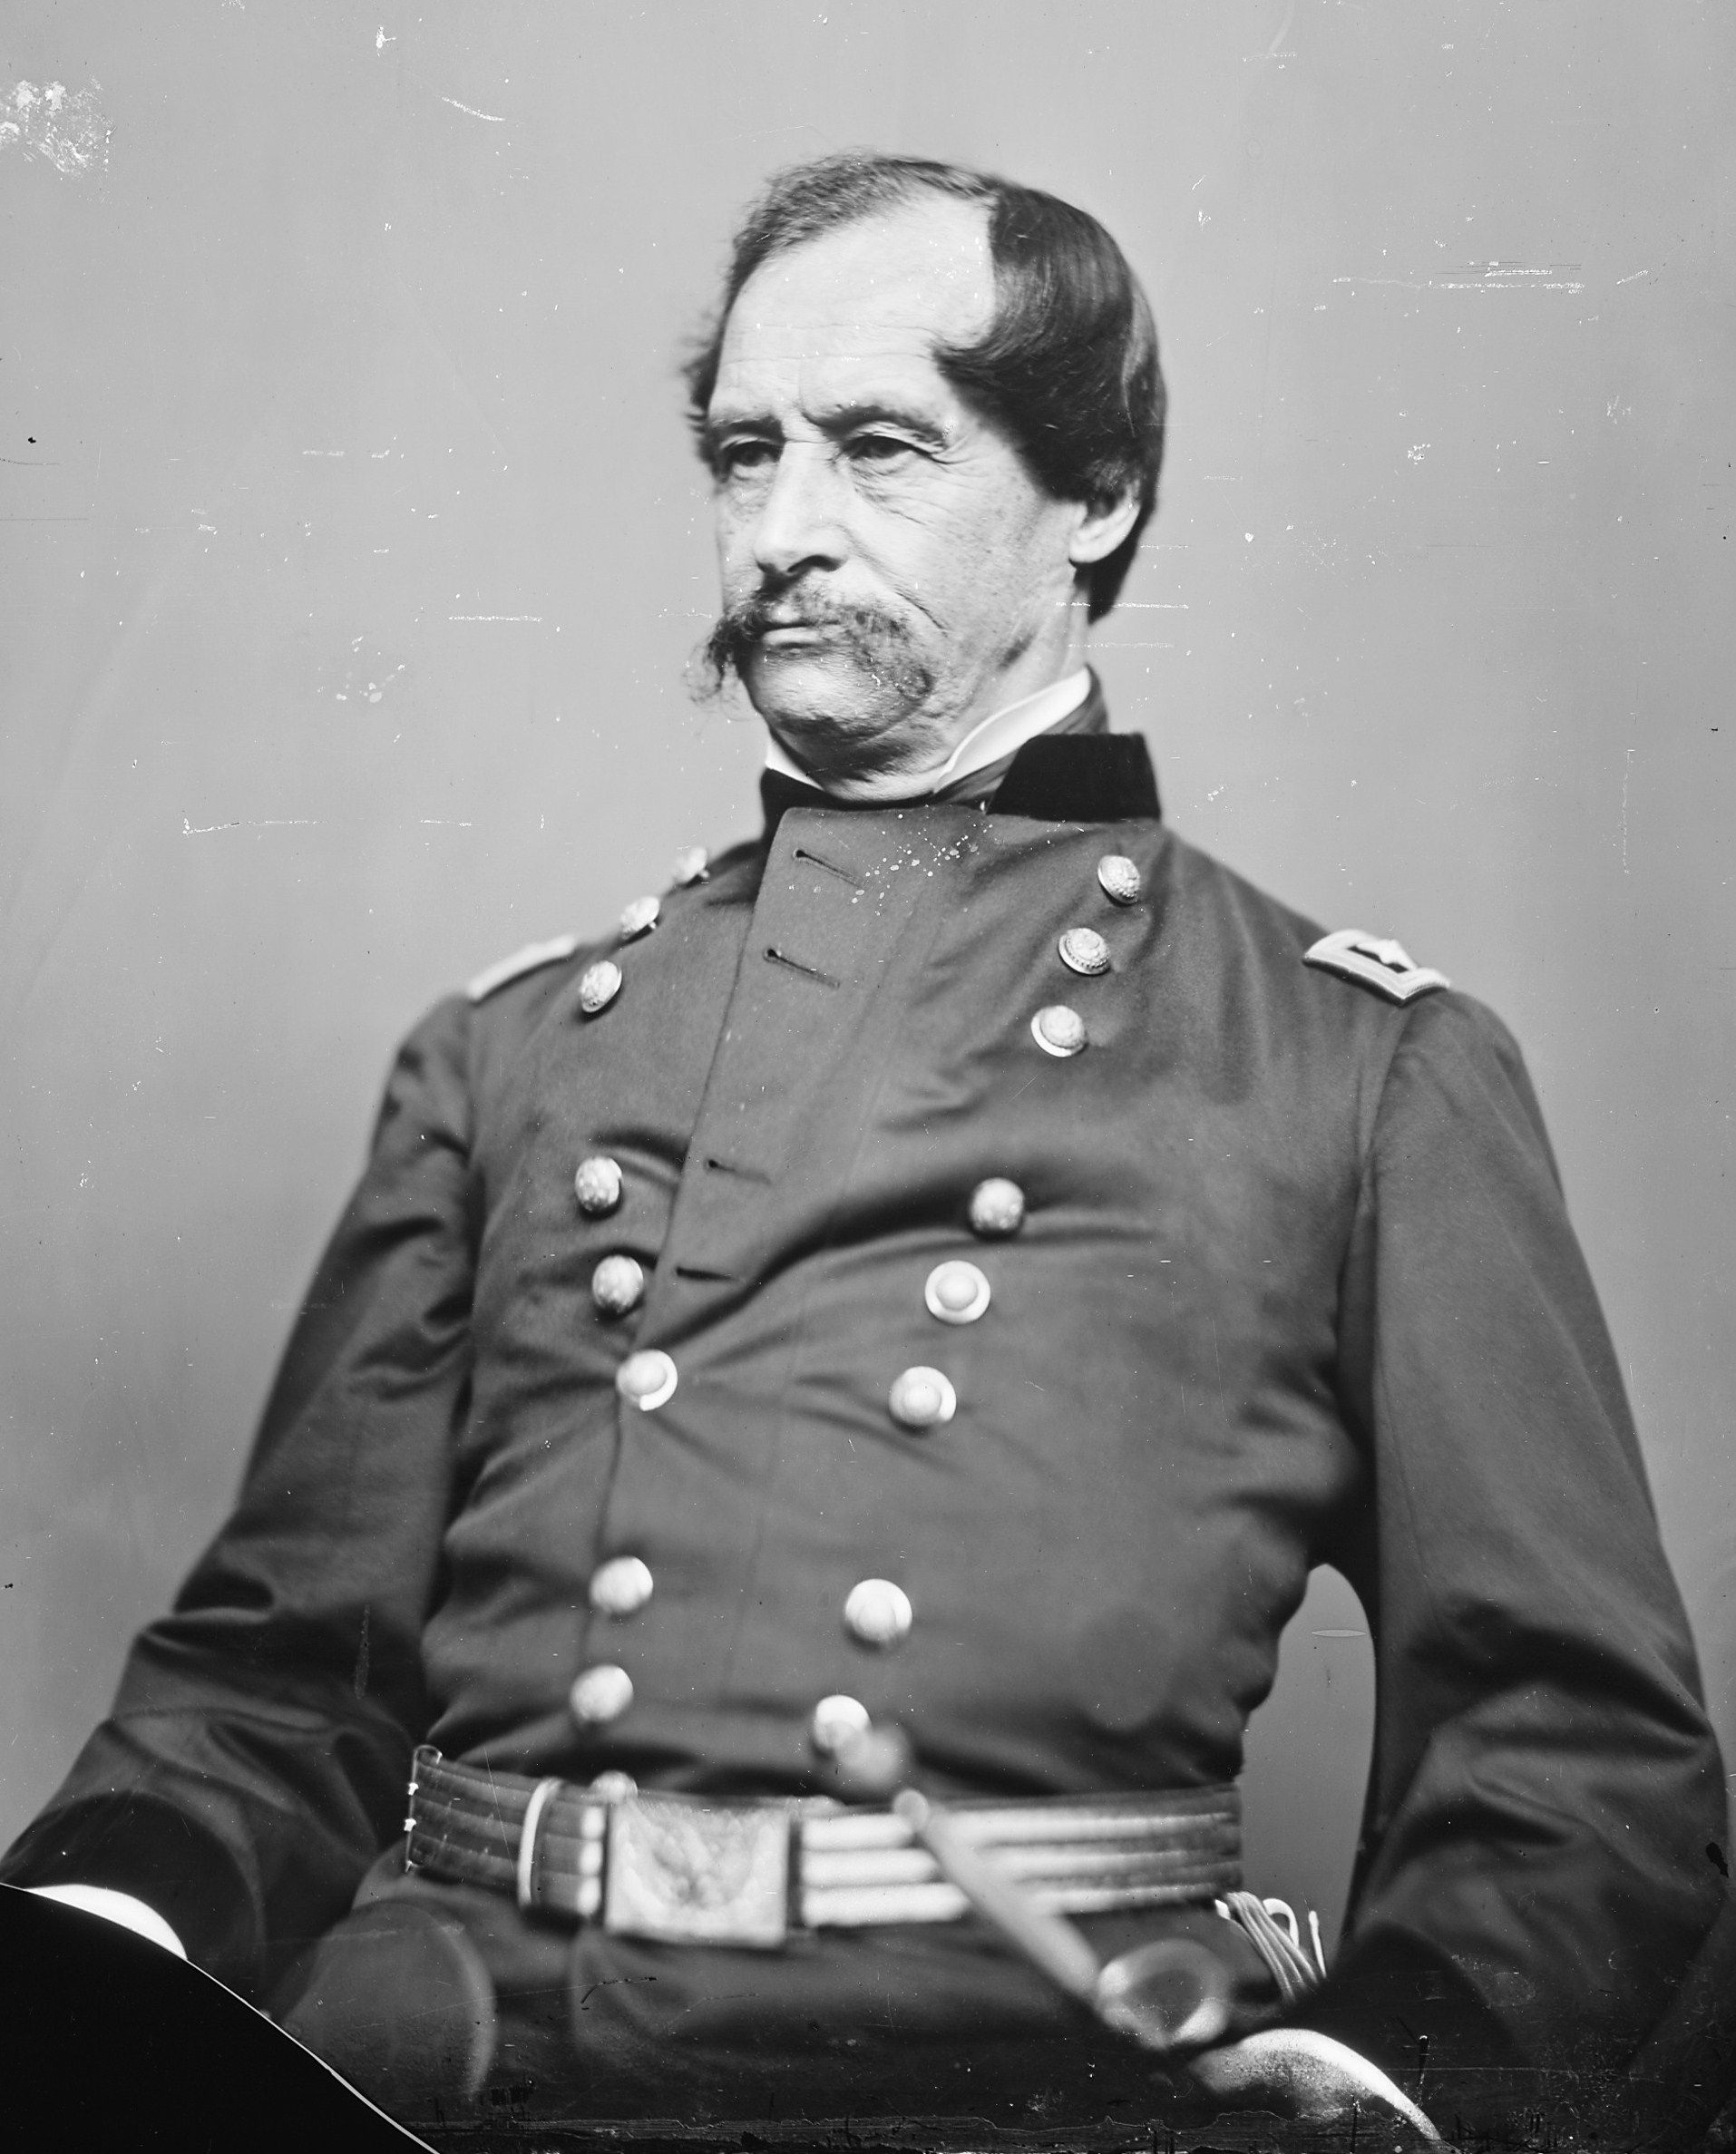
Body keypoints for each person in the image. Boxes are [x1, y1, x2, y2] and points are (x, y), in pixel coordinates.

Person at [5, 151, 1731, 2143]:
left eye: (879, 448)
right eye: (745, 455)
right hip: (437, 2074)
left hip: (1038, 2096)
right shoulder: (511, 1053)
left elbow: (1574, 1756)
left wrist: (1369, 2082)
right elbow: (275, 1687)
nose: (782, 532)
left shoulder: (1353, 1068)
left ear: (1098, 495)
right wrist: (82, 1960)